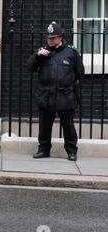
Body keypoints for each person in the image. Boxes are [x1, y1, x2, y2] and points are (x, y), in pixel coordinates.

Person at [26, 21, 84, 161]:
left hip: (65, 95)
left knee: (68, 125)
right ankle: (44, 149)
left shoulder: (71, 52)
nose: (50, 40)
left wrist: (74, 92)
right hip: (46, 95)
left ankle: (71, 151)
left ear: (60, 37)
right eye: (48, 38)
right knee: (44, 125)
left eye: (53, 38)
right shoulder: (42, 52)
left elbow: (80, 73)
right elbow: (29, 67)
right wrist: (37, 56)